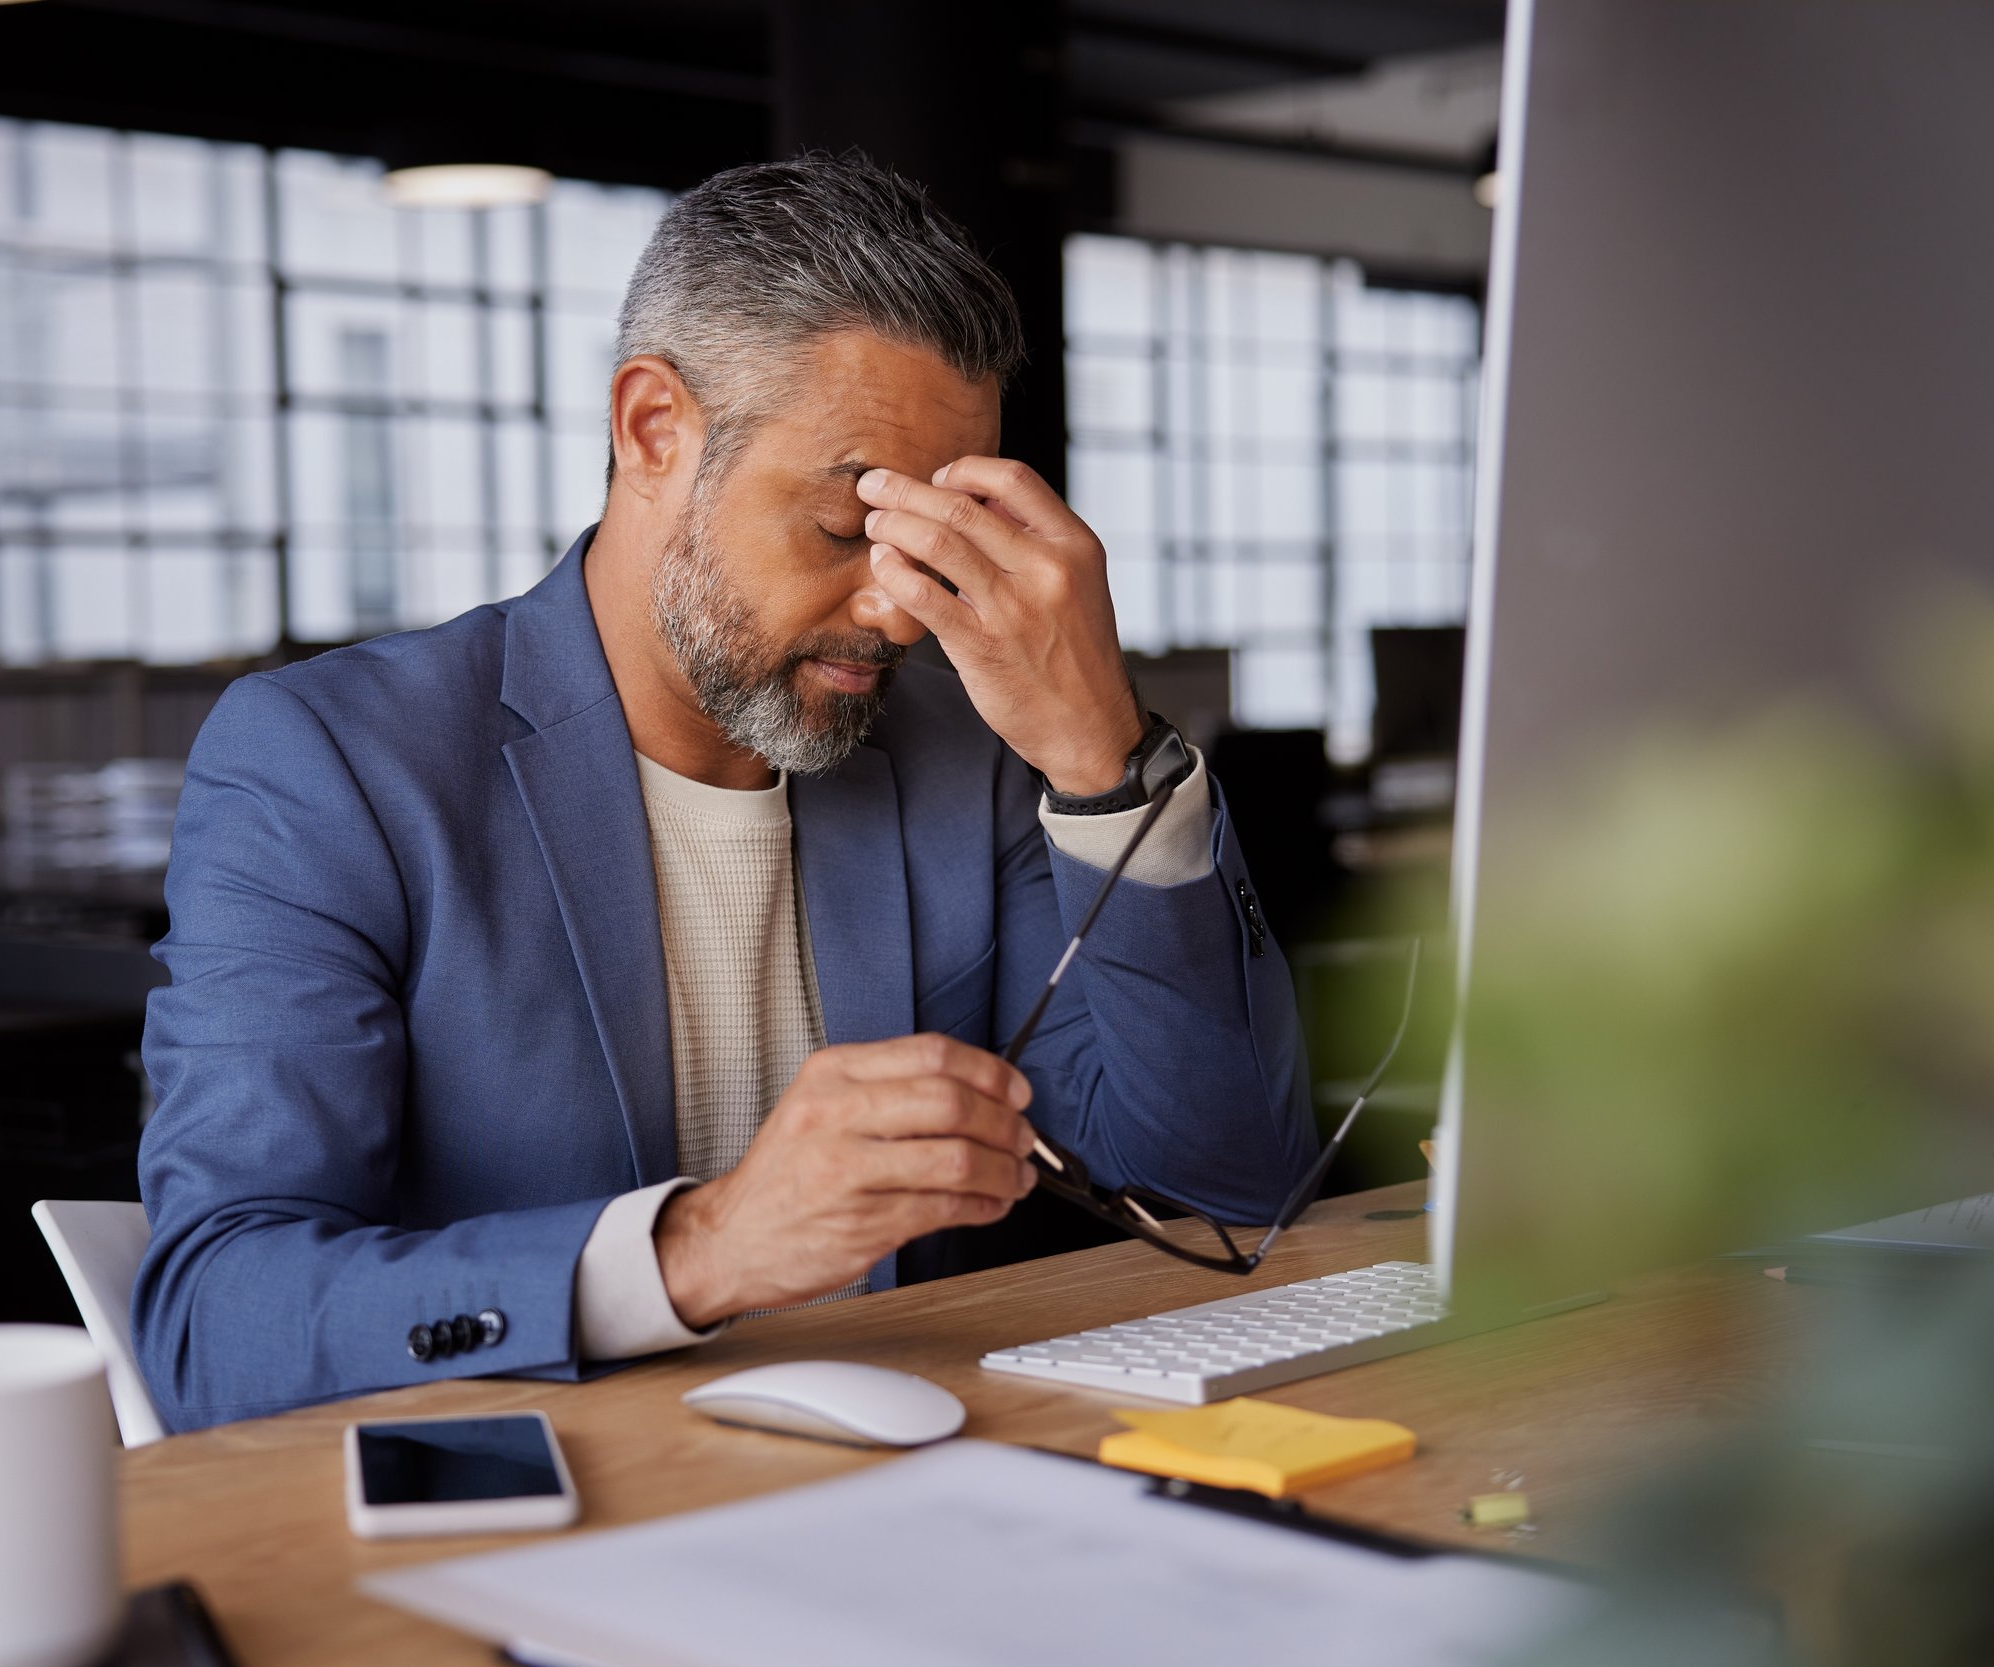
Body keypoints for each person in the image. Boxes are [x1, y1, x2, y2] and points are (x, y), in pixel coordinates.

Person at [132, 152, 1312, 1432]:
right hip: (529, 1526)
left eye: (930, 541)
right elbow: (211, 1318)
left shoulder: (962, 751)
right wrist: (697, 1249)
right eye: (844, 525)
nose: (895, 607)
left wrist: (1103, 759)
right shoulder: (332, 763)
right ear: (653, 429)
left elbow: (1230, 1180)